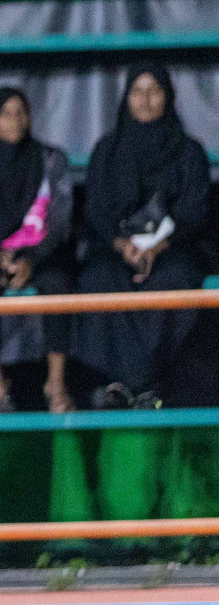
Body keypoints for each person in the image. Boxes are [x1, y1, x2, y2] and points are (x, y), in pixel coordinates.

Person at [73, 65, 209, 409]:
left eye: (154, 91)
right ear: (126, 98)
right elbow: (95, 210)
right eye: (137, 91)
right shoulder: (108, 149)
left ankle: (141, 385)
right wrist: (123, 246)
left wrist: (157, 248)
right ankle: (127, 385)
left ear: (168, 97)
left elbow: (195, 212)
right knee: (99, 278)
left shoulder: (188, 151)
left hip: (173, 248)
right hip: (116, 249)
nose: (145, 100)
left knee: (173, 280)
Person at [0, 87, 75, 412]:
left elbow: (60, 222)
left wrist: (31, 260)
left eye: (21, 112)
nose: (15, 121)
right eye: (6, 114)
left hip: (42, 253)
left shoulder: (51, 160)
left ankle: (56, 383)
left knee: (58, 283)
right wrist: (1, 258)